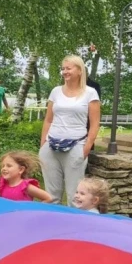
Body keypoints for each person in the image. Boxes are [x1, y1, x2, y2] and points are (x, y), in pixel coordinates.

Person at [39, 55, 101, 206]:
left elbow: (94, 124)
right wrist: (43, 145)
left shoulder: (90, 93)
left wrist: (86, 148)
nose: (65, 71)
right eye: (63, 68)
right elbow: (48, 120)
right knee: (51, 196)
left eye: (68, 68)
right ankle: (54, 226)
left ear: (80, 71)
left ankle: (75, 227)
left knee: (75, 195)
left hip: (76, 147)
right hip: (51, 146)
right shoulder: (55, 91)